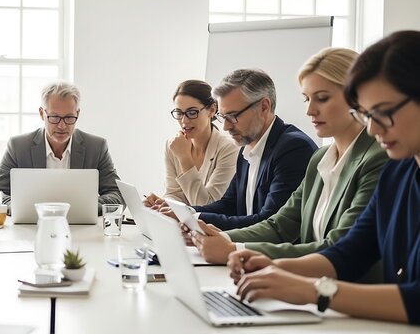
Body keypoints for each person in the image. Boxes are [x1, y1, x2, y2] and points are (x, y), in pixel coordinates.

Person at [227, 31, 420, 325]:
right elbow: (349, 251)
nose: (371, 129)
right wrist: (277, 267)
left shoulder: (383, 163)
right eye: (366, 114)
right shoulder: (399, 171)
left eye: (382, 113)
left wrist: (315, 290)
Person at [190, 48, 388, 265]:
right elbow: (280, 225)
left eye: (322, 98)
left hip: (347, 293)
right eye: (307, 99)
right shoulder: (321, 158)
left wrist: (233, 249)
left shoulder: (377, 159)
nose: (310, 111)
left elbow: (339, 247)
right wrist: (223, 239)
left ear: (357, 97)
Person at [161, 69, 317, 230]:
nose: (226, 126)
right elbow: (229, 204)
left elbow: (269, 224)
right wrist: (184, 213)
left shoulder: (293, 149)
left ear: (264, 107)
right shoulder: (247, 149)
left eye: (233, 116)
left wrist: (192, 218)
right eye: (223, 117)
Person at [0, 82, 123, 212]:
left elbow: (117, 195)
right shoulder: (18, 147)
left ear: (78, 114)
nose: (62, 126)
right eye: (54, 117)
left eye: (69, 117)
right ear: (42, 114)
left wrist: (81, 206)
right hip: (32, 229)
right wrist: (26, 208)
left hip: (80, 229)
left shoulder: (96, 147)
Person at [144, 80, 238, 206]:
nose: (184, 121)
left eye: (192, 112)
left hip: (209, 225)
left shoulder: (228, 149)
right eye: (179, 113)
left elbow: (208, 206)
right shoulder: (172, 145)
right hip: (180, 224)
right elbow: (174, 194)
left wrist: (184, 158)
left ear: (212, 110)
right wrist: (162, 204)